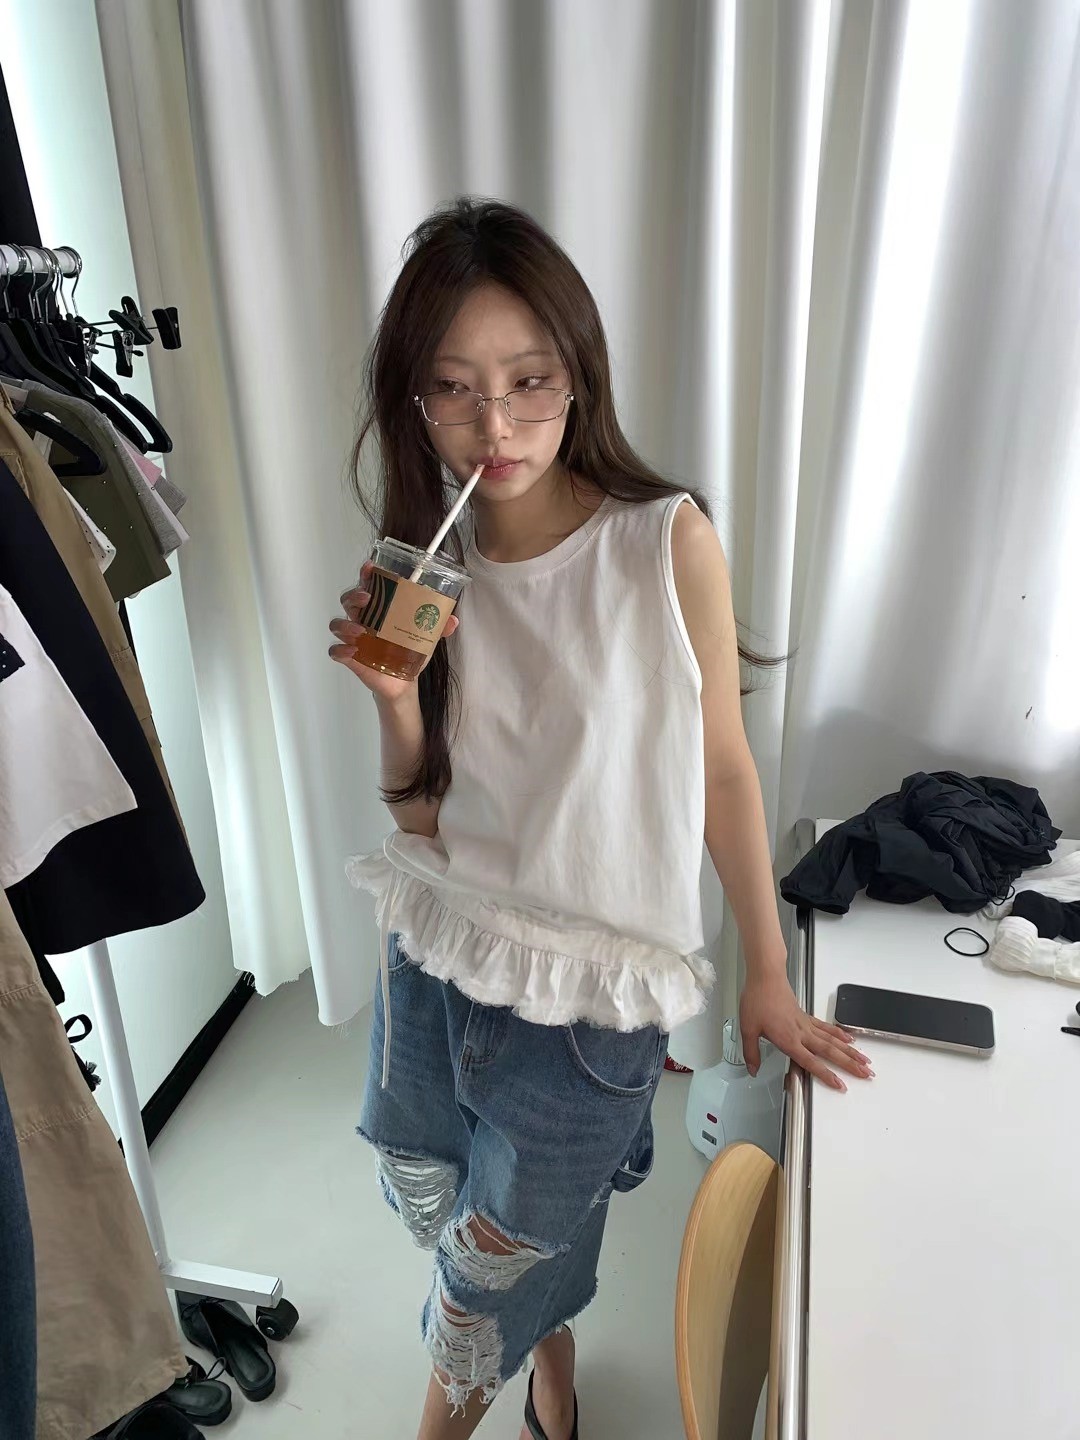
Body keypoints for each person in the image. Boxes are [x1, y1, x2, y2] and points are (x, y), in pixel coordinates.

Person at [329, 198, 871, 1440]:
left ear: (579, 376)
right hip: (440, 959)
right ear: (414, 399)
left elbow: (723, 772)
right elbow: (423, 814)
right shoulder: (425, 568)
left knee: (483, 1275)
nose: (496, 426)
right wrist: (396, 703)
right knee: (441, 1204)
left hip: (592, 1001)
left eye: (529, 381)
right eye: (455, 388)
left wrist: (767, 971)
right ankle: (555, 1357)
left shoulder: (663, 542)